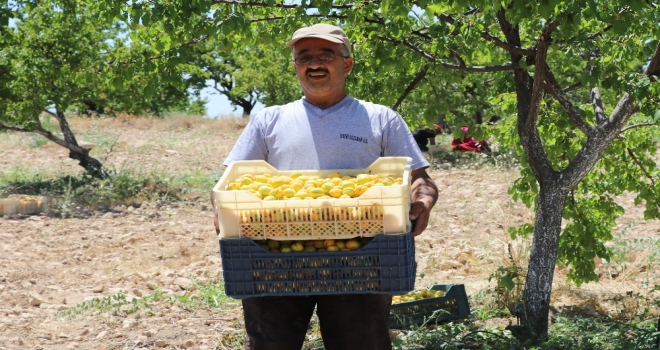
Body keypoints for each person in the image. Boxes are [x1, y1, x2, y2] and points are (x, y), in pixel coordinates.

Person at [212, 23, 439, 350]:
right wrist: (221, 209)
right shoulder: (269, 120)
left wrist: (423, 202)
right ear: (295, 67)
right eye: (305, 57)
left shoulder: (380, 119)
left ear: (346, 64)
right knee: (270, 345)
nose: (314, 63)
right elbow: (228, 182)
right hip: (274, 256)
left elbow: (420, 179)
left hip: (362, 257)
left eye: (326, 55)